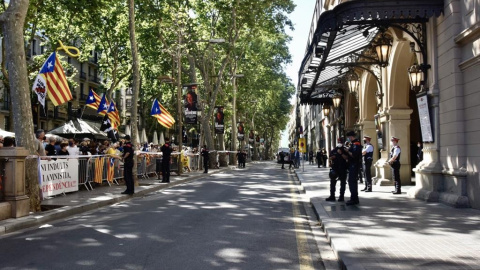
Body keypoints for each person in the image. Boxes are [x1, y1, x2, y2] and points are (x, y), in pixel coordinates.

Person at [345, 131, 362, 206]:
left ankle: (354, 199)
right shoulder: (353, 144)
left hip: (354, 165)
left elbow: (353, 155)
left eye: (348, 137)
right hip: (352, 165)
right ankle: (354, 198)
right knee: (351, 181)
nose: (348, 139)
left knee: (352, 181)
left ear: (351, 137)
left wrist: (347, 151)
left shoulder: (356, 144)